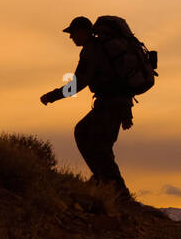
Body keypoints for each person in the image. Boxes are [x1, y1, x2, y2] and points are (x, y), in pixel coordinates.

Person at [40, 16, 133, 197]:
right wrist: (126, 113)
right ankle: (103, 180)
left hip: (109, 105)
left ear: (82, 32)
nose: (71, 37)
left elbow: (78, 83)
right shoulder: (102, 49)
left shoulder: (92, 50)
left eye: (73, 33)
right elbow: (120, 81)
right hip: (113, 104)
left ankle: (118, 191)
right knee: (89, 137)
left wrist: (52, 96)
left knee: (98, 145)